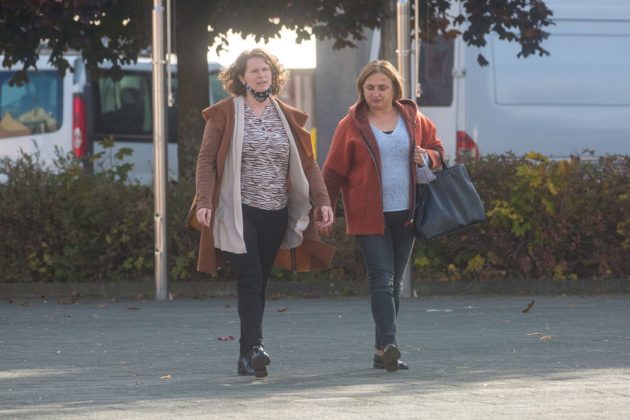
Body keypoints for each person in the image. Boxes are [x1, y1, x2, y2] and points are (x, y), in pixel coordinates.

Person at [191, 48, 335, 378]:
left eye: (266, 69)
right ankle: (256, 348)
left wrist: (323, 200)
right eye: (254, 70)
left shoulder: (287, 115)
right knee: (251, 277)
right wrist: (204, 202)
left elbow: (309, 164)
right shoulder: (225, 113)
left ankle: (247, 356)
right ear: (241, 78)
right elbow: (206, 160)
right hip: (237, 210)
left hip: (276, 211)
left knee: (260, 282)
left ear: (273, 75)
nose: (261, 75)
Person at [322, 60, 444, 372]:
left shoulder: (414, 120)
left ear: (394, 89)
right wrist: (324, 206)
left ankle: (381, 352)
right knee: (381, 279)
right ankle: (390, 343)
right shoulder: (350, 125)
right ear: (361, 90)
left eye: (382, 87)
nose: (376, 93)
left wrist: (427, 157)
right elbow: (333, 171)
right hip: (368, 215)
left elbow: (439, 153)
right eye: (370, 88)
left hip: (407, 213)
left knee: (394, 283)